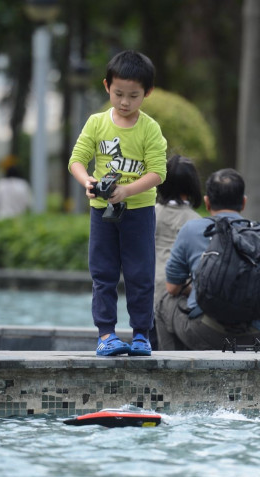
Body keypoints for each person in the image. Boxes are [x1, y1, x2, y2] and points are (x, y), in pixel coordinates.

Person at [68, 49, 167, 357]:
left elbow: (158, 173)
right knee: (103, 274)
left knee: (140, 274)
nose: (125, 102)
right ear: (106, 86)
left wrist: (126, 191)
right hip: (102, 213)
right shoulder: (96, 123)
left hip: (139, 213)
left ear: (147, 92)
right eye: (119, 93)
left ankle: (141, 335)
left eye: (134, 96)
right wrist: (88, 181)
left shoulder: (149, 128)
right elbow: (76, 160)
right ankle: (106, 335)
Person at [155, 168, 260, 350]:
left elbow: (173, 287)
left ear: (207, 202)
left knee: (163, 302)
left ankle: (173, 370)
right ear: (243, 202)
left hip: (207, 332)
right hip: (256, 335)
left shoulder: (191, 230)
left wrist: (201, 290)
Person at [153, 154, 203, 349]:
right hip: (178, 295)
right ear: (193, 185)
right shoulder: (196, 221)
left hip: (147, 292)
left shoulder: (150, 213)